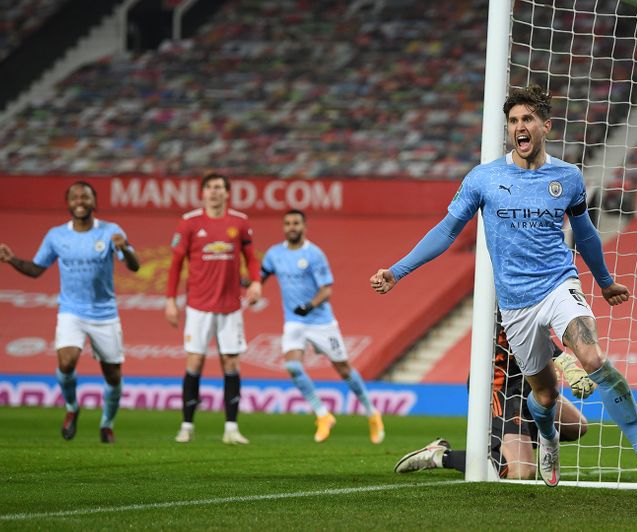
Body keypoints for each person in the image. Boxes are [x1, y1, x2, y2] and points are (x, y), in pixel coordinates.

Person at [371, 84, 637, 495]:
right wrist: (398, 270)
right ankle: (548, 437)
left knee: (592, 356)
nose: (520, 126)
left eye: (527, 119)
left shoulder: (567, 177)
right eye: (513, 120)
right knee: (545, 396)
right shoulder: (484, 178)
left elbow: (585, 234)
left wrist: (605, 282)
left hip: (558, 285)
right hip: (515, 305)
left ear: (544, 126)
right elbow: (447, 231)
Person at [0, 181, 139, 444]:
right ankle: (72, 407)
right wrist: (11, 260)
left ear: (94, 202)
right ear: (68, 203)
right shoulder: (56, 236)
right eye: (75, 197)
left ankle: (107, 424)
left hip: (104, 314)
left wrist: (124, 248)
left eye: (85, 197)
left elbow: (134, 267)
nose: (80, 201)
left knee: (113, 375)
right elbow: (36, 269)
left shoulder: (111, 232)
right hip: (71, 311)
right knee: (66, 362)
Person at [395, 326, 589, 479]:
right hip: (499, 386)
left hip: (528, 379)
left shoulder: (541, 286)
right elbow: (521, 331)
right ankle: (441, 456)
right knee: (522, 472)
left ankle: (510, 444)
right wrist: (565, 362)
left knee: (575, 426)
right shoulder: (507, 288)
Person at [261, 209, 384, 444]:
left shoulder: (314, 254)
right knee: (293, 366)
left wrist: (309, 306)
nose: (291, 227)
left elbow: (326, 290)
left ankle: (372, 412)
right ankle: (322, 414)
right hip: (294, 321)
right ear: (283, 227)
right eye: (287, 223)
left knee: (344, 370)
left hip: (321, 322)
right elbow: (260, 276)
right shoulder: (274, 254)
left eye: (296, 223)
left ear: (304, 226)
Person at [165, 172, 262, 445]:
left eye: (219, 187)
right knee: (194, 362)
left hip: (230, 306)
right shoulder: (189, 222)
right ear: (203, 193)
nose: (215, 192)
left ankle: (231, 428)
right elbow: (175, 264)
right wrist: (170, 299)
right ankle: (186, 425)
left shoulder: (240, 222)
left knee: (230, 363)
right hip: (198, 306)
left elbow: (251, 259)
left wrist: (255, 282)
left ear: (227, 192)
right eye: (210, 188)